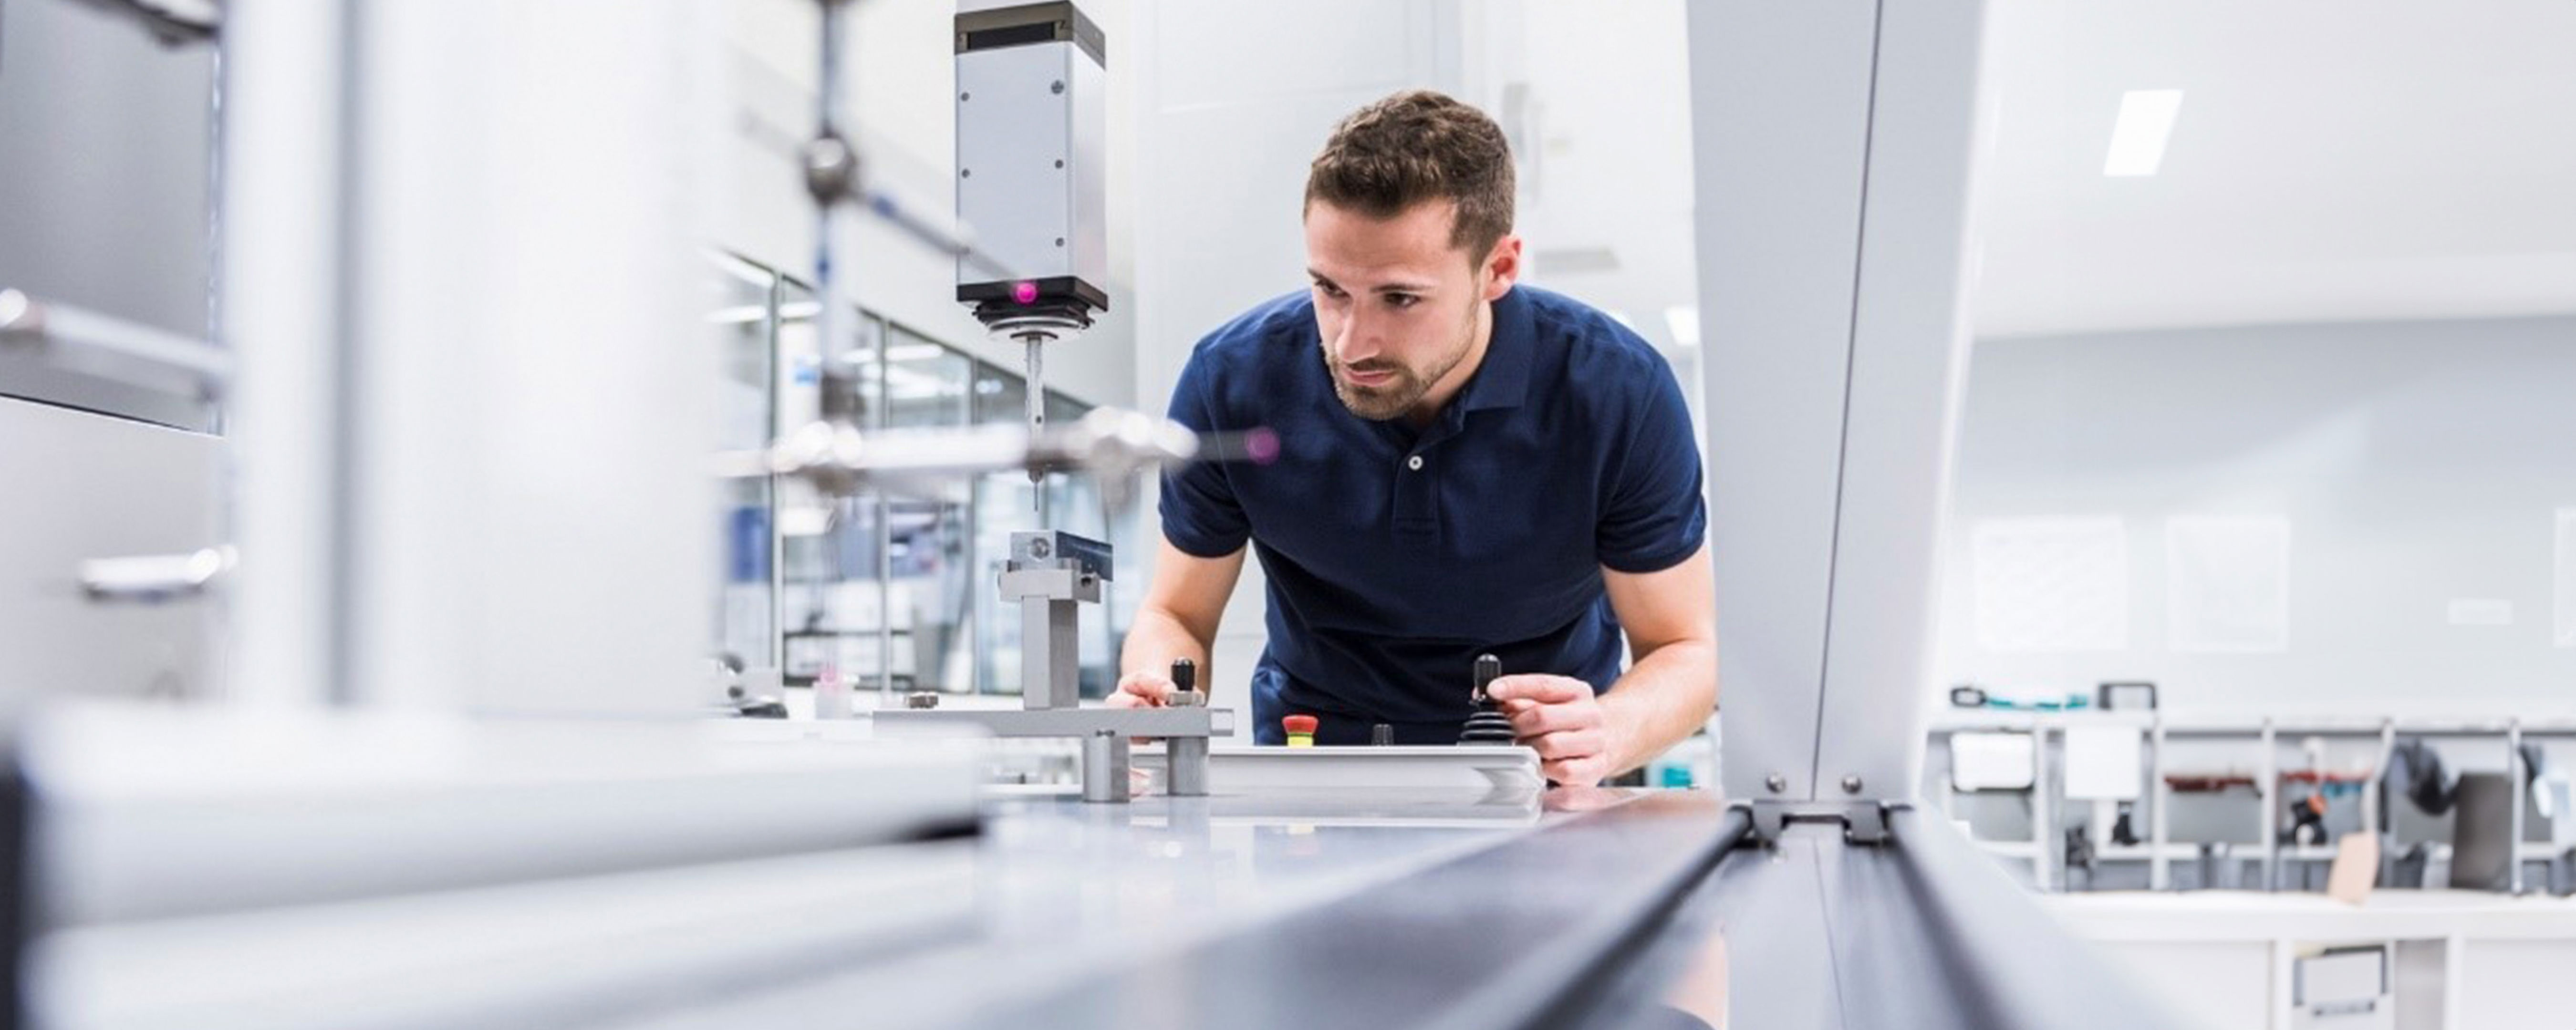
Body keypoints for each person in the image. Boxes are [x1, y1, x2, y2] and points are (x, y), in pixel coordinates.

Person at [1109, 89, 1714, 787]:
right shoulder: (1230, 383)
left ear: (1499, 270)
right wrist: (1156, 695)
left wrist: (1611, 729)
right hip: (1313, 776)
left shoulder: (1618, 394)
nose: (1349, 341)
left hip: (1539, 781)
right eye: (1329, 288)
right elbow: (1177, 611)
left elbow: (1685, 648)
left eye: (1400, 298)